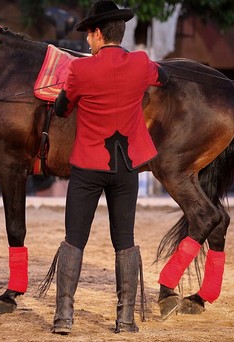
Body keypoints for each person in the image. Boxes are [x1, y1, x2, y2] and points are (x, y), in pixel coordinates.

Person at [47, 0, 169, 335]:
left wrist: (61, 95)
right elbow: (165, 75)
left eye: (89, 34)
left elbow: (62, 108)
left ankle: (63, 318)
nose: (87, 40)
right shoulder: (141, 64)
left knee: (75, 238)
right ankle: (125, 319)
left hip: (88, 165)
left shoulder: (81, 70)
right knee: (124, 240)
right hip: (126, 166)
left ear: (99, 34)